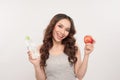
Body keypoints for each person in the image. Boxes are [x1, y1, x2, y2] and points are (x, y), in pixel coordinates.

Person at [27, 13, 95, 80]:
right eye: (60, 26)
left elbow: (80, 76)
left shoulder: (73, 46)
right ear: (53, 26)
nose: (62, 32)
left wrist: (86, 54)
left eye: (67, 30)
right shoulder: (40, 49)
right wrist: (36, 66)